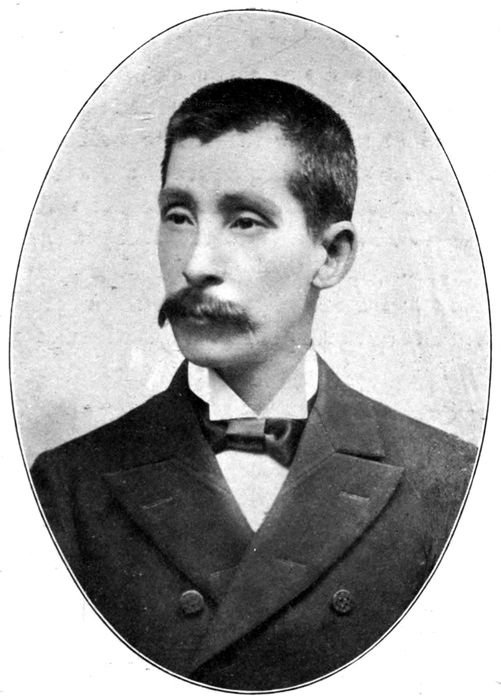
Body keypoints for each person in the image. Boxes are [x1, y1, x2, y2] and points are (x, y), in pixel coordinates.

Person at [31, 78, 476, 691]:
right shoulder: (66, 488)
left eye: (244, 221)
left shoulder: (448, 485)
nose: (195, 263)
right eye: (179, 216)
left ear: (332, 256)